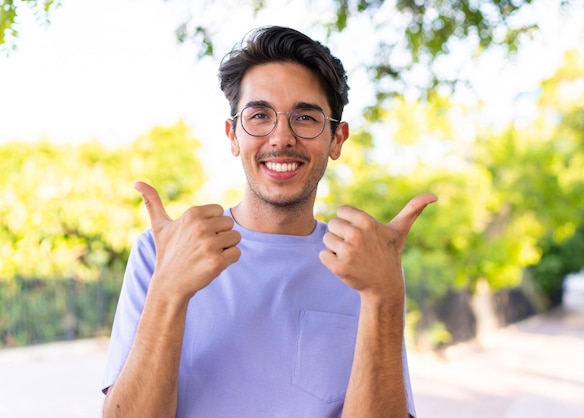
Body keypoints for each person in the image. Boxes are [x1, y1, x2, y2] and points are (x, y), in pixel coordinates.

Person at [101, 25, 436, 418]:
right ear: (232, 135)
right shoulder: (161, 253)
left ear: (337, 140)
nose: (281, 138)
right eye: (259, 115)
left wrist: (384, 298)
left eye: (305, 117)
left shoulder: (365, 266)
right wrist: (168, 293)